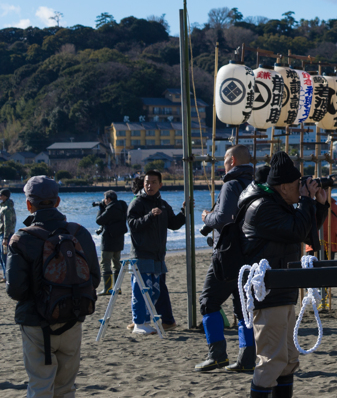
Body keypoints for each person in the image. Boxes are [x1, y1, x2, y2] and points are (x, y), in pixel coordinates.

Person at [238, 151, 328, 398]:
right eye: (298, 184)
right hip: (269, 294)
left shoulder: (279, 204)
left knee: (288, 359)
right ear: (285, 186)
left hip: (283, 289)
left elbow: (305, 232)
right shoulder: (262, 207)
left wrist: (318, 205)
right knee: (271, 361)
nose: (301, 187)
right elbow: (297, 231)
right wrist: (307, 201)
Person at [6, 175, 101, 398]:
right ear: (57, 201)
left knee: (40, 386)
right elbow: (94, 278)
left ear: (28, 204)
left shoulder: (22, 239)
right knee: (66, 388)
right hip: (72, 317)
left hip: (35, 322)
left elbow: (16, 290)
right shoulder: (78, 232)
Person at [195, 145, 255, 372]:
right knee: (243, 307)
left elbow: (224, 218)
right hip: (249, 252)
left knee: (208, 302)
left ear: (232, 161)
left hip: (227, 254)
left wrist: (206, 217)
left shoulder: (231, 184)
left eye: (224, 159)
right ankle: (247, 358)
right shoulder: (253, 184)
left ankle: (217, 355)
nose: (223, 163)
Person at [126, 168, 188, 335]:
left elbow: (173, 224)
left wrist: (184, 212)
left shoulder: (163, 204)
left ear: (160, 184)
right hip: (141, 255)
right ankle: (139, 323)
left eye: (153, 182)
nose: (149, 185)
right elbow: (132, 224)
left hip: (158, 256)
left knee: (155, 292)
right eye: (147, 182)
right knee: (141, 291)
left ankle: (145, 321)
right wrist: (149, 216)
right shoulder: (137, 202)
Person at [94, 190, 128, 295]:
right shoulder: (122, 206)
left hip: (108, 240)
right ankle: (117, 288)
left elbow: (99, 220)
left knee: (105, 263)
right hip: (119, 239)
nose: (104, 201)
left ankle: (107, 289)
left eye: (105, 199)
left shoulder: (111, 208)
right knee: (116, 263)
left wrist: (101, 209)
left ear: (108, 199)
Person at [305, 189, 337, 259]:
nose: (325, 192)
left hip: (329, 244)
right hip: (316, 245)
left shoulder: (333, 206)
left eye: (326, 190)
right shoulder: (311, 205)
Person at [1, 187, 16, 282]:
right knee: (2, 256)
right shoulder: (3, 206)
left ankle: (7, 277)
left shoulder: (7, 208)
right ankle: (5, 275)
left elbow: (7, 223)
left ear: (5, 196)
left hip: (5, 235)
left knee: (5, 256)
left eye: (1, 195)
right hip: (2, 234)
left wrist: (5, 237)